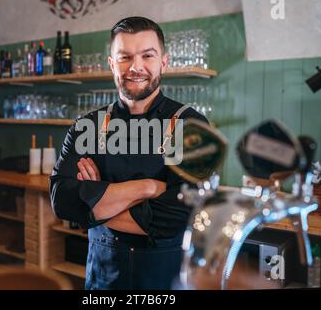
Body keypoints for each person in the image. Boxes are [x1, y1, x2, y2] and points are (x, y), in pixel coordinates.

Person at [50, 16, 208, 290]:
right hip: (103, 281)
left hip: (167, 283)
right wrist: (148, 188)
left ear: (164, 62)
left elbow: (180, 215)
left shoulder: (191, 126)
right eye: (124, 57)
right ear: (111, 64)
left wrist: (93, 204)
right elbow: (62, 202)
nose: (136, 67)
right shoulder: (87, 125)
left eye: (147, 55)